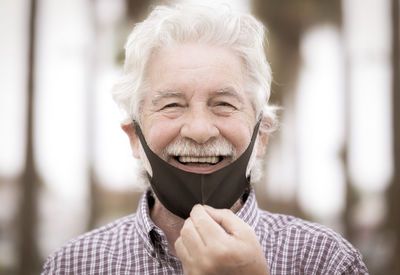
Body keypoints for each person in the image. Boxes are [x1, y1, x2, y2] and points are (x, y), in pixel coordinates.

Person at [42, 2, 368, 274]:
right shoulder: (73, 265)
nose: (199, 131)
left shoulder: (327, 261)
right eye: (172, 105)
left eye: (224, 105)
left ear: (262, 136)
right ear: (134, 139)